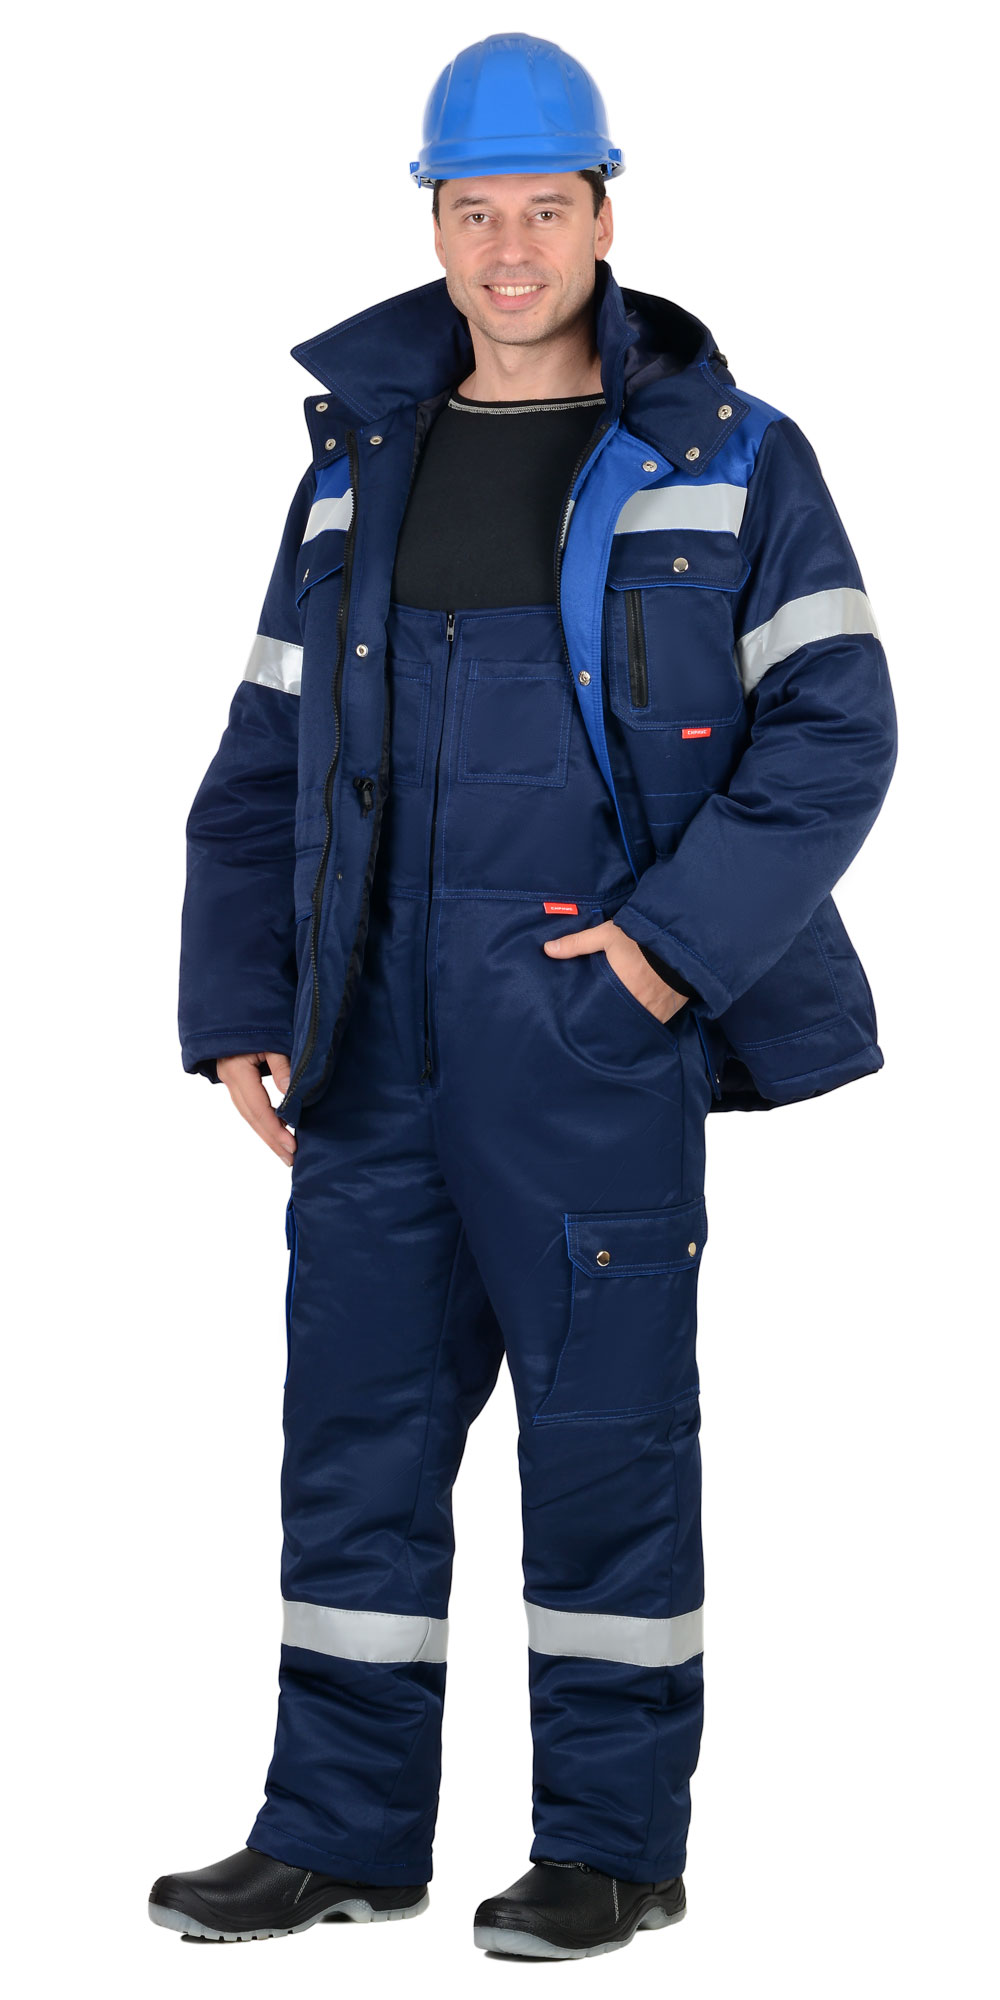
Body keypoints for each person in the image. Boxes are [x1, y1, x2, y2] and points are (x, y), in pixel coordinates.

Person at [150, 31, 898, 1960]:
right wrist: (240, 996)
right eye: (471, 212)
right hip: (368, 1032)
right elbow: (265, 751)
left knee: (605, 1438)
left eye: (541, 209)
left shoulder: (729, 456)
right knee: (356, 1439)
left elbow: (838, 730)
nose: (506, 250)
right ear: (433, 224)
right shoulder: (354, 468)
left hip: (582, 1024)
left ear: (604, 218)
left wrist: (662, 953)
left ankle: (613, 1847)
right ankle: (337, 1830)